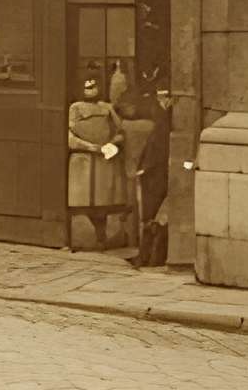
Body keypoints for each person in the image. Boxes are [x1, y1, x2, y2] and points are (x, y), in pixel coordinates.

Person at [66, 68, 125, 249]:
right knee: (80, 203)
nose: (91, 90)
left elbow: (121, 131)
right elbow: (69, 136)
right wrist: (90, 147)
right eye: (87, 86)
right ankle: (76, 240)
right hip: (82, 162)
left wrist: (111, 145)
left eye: (94, 86)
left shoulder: (107, 108)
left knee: (103, 204)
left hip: (103, 162)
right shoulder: (74, 108)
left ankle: (102, 237)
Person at [134, 77, 173, 267]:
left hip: (160, 171)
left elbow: (159, 146)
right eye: (159, 98)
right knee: (152, 216)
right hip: (157, 170)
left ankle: (150, 256)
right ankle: (149, 255)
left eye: (164, 97)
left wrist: (144, 168)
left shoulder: (168, 118)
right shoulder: (161, 116)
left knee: (153, 214)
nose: (161, 102)